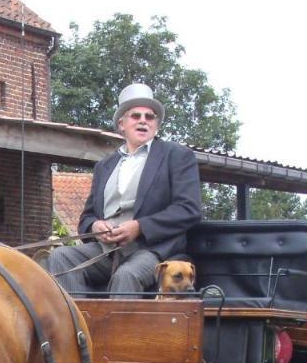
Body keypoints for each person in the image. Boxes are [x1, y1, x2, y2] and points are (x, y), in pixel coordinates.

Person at [45, 83, 202, 295]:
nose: (143, 121)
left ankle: (119, 329)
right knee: (60, 256)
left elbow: (189, 209)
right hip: (106, 251)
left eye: (150, 117)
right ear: (122, 124)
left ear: (156, 125)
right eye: (136, 116)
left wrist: (139, 226)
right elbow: (87, 217)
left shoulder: (176, 156)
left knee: (127, 275)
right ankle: (80, 325)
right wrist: (95, 227)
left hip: (152, 250)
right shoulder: (105, 166)